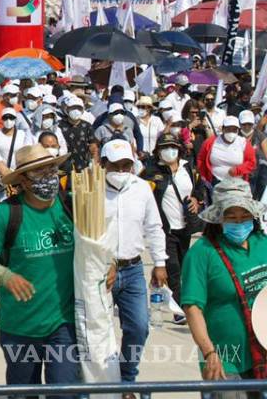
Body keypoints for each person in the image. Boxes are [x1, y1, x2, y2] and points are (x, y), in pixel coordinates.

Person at [0, 144, 79, 387]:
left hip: (64, 325)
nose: (48, 177)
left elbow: (100, 241)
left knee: (66, 391)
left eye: (51, 169)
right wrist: (4, 276)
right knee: (24, 391)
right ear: (23, 181)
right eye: (39, 172)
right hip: (19, 327)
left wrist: (109, 263)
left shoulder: (73, 206)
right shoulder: (6, 213)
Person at [182, 179, 267, 392]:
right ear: (218, 218)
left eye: (244, 216)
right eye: (231, 216)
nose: (239, 222)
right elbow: (192, 308)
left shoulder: (262, 243)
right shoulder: (202, 253)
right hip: (226, 360)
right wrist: (209, 353)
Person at [101, 139, 169, 385]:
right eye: (115, 165)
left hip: (132, 269)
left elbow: (153, 226)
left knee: (139, 327)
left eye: (126, 165)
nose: (121, 171)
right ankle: (97, 380)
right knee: (98, 332)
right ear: (103, 164)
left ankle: (127, 378)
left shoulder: (141, 189)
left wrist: (160, 262)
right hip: (100, 272)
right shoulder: (91, 190)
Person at [146, 130, 203, 323]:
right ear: (158, 151)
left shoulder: (189, 169)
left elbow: (200, 189)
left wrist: (197, 200)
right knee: (173, 268)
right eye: (164, 148)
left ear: (179, 150)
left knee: (186, 266)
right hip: (165, 230)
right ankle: (180, 310)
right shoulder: (151, 172)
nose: (169, 151)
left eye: (172, 147)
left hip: (185, 228)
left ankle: (181, 301)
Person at [198, 116, 256, 185]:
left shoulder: (244, 143)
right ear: (223, 129)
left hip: (237, 183)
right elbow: (201, 159)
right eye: (228, 129)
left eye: (234, 129)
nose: (231, 132)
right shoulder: (210, 142)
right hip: (215, 181)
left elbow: (251, 162)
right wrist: (204, 177)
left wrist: (237, 170)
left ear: (238, 130)